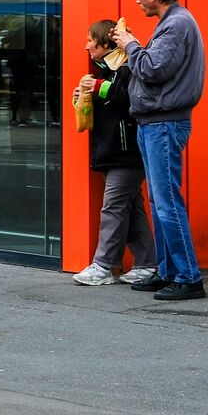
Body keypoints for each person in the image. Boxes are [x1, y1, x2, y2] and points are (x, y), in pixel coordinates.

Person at [111, 0, 208, 303]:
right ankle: (168, 271)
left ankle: (188, 277)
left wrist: (130, 44)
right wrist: (134, 47)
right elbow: (155, 65)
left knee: (167, 203)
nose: (137, 0)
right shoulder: (174, 23)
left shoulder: (175, 25)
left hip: (162, 124)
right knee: (160, 201)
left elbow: (153, 69)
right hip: (156, 123)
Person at [71, 19, 156, 288]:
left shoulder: (126, 68)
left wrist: (96, 88)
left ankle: (103, 266)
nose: (86, 46)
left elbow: (129, 97)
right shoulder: (107, 71)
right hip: (115, 153)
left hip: (125, 154)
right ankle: (146, 265)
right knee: (131, 208)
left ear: (106, 43)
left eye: (90, 41)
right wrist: (82, 97)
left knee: (114, 208)